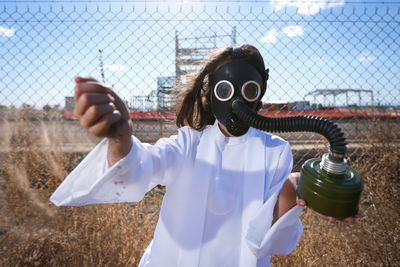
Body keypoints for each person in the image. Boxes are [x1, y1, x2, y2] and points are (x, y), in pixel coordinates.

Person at [50, 44, 356, 267]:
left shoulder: (275, 151)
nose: (236, 100)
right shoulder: (187, 144)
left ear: (259, 92)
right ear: (209, 93)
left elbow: (268, 242)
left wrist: (295, 186)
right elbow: (141, 167)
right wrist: (120, 138)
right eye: (225, 89)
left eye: (248, 89)